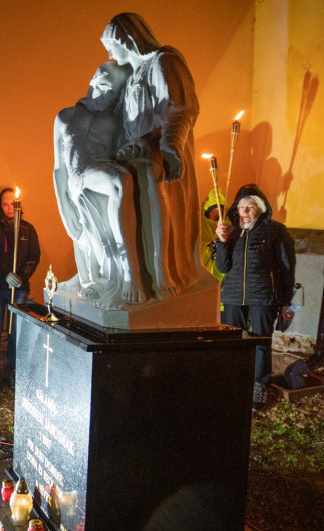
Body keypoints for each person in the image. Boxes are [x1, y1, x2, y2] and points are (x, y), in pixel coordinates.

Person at [102, 12, 200, 300]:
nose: (109, 54)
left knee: (152, 175)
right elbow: (126, 125)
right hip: (136, 154)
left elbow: (179, 108)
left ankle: (162, 268)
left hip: (162, 154)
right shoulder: (131, 79)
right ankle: (131, 272)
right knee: (113, 183)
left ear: (125, 39)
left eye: (110, 46)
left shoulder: (163, 61)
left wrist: (167, 145)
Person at [53, 61, 142, 306]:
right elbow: (59, 168)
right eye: (103, 86)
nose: (106, 96)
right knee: (86, 238)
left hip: (99, 171)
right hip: (76, 180)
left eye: (113, 93)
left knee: (120, 181)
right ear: (93, 80)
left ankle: (128, 270)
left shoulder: (115, 120)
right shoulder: (64, 116)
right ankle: (93, 279)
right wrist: (64, 207)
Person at [216, 184, 295, 411]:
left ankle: (259, 386)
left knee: (260, 341)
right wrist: (222, 242)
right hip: (232, 295)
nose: (245, 211)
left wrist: (285, 302)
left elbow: (286, 268)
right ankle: (233, 382)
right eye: (241, 206)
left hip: (263, 295)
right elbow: (223, 267)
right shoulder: (230, 232)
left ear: (260, 208)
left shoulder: (275, 230)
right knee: (232, 342)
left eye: (250, 206)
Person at [0, 187, 40, 391]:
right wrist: (5, 273)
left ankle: (14, 371)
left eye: (12, 204)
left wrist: (22, 276)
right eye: (5, 204)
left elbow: (34, 256)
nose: (9, 207)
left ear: (19, 205)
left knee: (16, 333)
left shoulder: (27, 229)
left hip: (19, 289)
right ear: (0, 206)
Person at [200, 191, 226, 281]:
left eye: (219, 210)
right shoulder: (200, 223)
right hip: (203, 263)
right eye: (214, 209)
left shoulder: (226, 224)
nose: (216, 212)